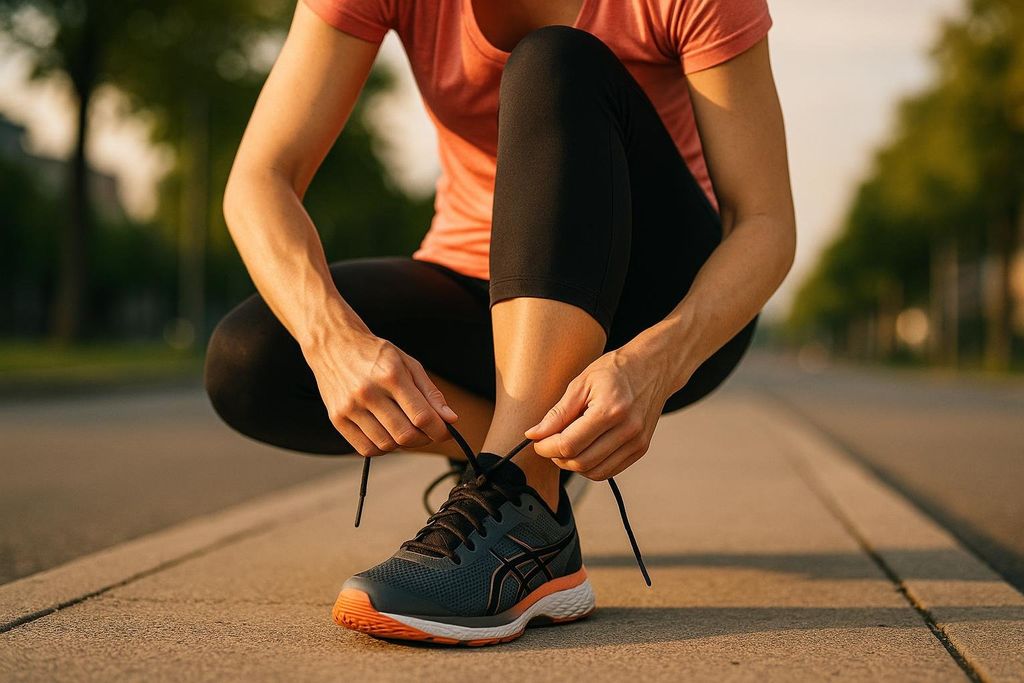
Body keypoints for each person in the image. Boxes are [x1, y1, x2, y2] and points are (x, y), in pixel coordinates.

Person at [205, 0, 795, 646]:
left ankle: (522, 502)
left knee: (553, 58)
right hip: (475, 282)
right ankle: (522, 458)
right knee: (251, 356)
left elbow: (764, 222)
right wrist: (332, 339)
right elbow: (260, 177)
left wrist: (657, 360)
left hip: (652, 295)